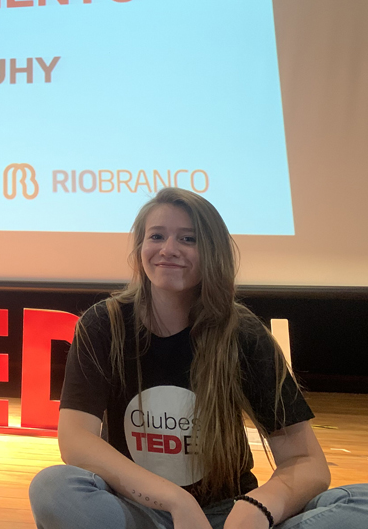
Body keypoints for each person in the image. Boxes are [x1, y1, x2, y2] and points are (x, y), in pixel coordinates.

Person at [29, 187, 368, 529]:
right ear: (140, 247)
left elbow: (306, 460)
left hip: (228, 515)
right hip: (138, 511)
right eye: (156, 236)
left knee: (361, 503)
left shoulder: (241, 331)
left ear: (212, 252)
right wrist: (177, 501)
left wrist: (257, 509)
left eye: (188, 239)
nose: (168, 249)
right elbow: (76, 441)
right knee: (53, 487)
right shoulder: (105, 323)